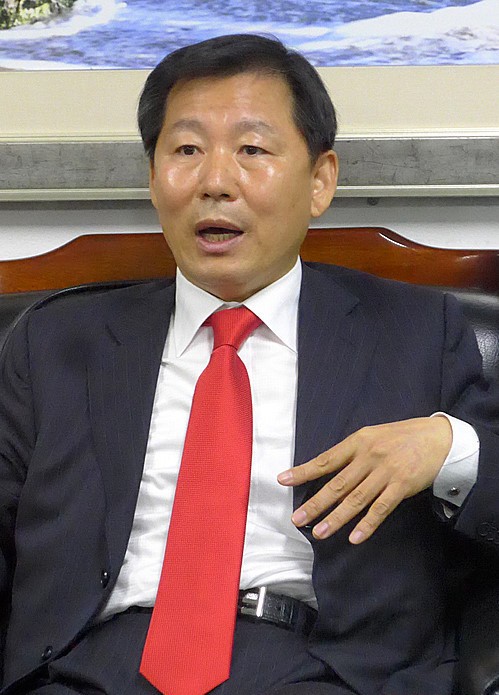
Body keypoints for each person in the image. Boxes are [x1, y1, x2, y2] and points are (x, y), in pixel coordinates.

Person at [0, 33, 498, 695]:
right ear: (153, 177)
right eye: (186, 150)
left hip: (322, 668)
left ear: (320, 181)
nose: (215, 182)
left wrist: (450, 450)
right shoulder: (56, 342)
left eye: (252, 150)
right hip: (85, 668)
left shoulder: (415, 331)